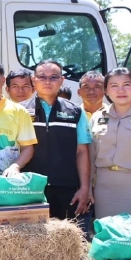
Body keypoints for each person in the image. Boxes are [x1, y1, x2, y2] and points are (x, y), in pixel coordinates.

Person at [22, 59, 92, 224]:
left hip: (67, 189)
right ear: (33, 80)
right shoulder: (20, 111)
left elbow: (82, 152)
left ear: (62, 80)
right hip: (30, 189)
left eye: (54, 77)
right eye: (42, 77)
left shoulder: (76, 112)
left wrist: (84, 188)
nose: (47, 81)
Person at [90, 67, 131, 219]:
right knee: (107, 233)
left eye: (127, 84)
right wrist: (88, 188)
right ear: (106, 90)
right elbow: (90, 154)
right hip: (104, 186)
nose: (121, 90)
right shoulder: (97, 117)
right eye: (114, 85)